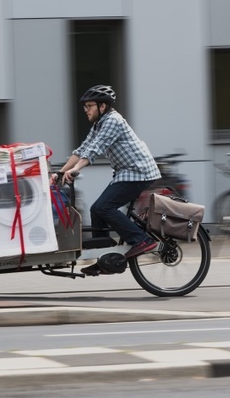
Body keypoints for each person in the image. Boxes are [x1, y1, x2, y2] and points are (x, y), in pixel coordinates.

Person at [52, 85, 161, 275]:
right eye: (85, 106)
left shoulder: (113, 121)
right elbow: (83, 149)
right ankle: (105, 258)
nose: (86, 110)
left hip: (138, 172)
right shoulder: (99, 124)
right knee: (97, 209)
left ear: (103, 106)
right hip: (125, 172)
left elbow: (96, 149)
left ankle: (142, 240)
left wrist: (77, 169)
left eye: (89, 106)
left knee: (104, 207)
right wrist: (60, 173)